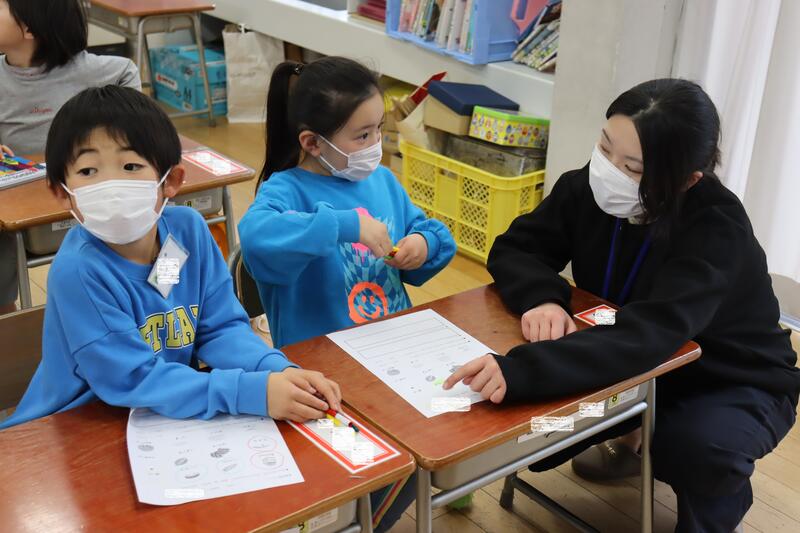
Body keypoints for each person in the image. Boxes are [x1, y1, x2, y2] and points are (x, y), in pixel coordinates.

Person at [445, 78, 799, 532]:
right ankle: (631, 433)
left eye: (633, 167)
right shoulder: (588, 188)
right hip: (634, 367)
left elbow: (648, 334)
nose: (608, 171)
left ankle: (709, 495)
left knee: (695, 450)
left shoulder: (716, 229)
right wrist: (542, 298)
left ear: (687, 180)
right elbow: (516, 248)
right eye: (604, 147)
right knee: (546, 430)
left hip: (728, 379)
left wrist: (521, 371)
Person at [0, 86, 341, 430]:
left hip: (161, 411)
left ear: (171, 180)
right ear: (62, 192)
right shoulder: (78, 271)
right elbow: (134, 378)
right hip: (73, 425)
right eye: (88, 171)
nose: (112, 186)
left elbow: (219, 328)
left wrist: (274, 369)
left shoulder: (185, 232)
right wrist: (249, 392)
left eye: (130, 165)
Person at [238, 56, 457, 531]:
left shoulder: (380, 181)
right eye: (362, 136)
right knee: (376, 468)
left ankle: (436, 477)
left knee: (452, 424)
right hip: (326, 376)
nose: (375, 145)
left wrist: (423, 245)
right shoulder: (285, 191)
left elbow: (430, 230)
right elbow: (257, 238)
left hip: (392, 357)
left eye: (379, 130)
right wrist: (344, 224)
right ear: (313, 143)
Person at [0, 0, 141, 315]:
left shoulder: (104, 72)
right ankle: (9, 324)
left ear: (29, 27)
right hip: (22, 210)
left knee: (167, 233)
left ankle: (156, 302)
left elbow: (140, 131)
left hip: (98, 199)